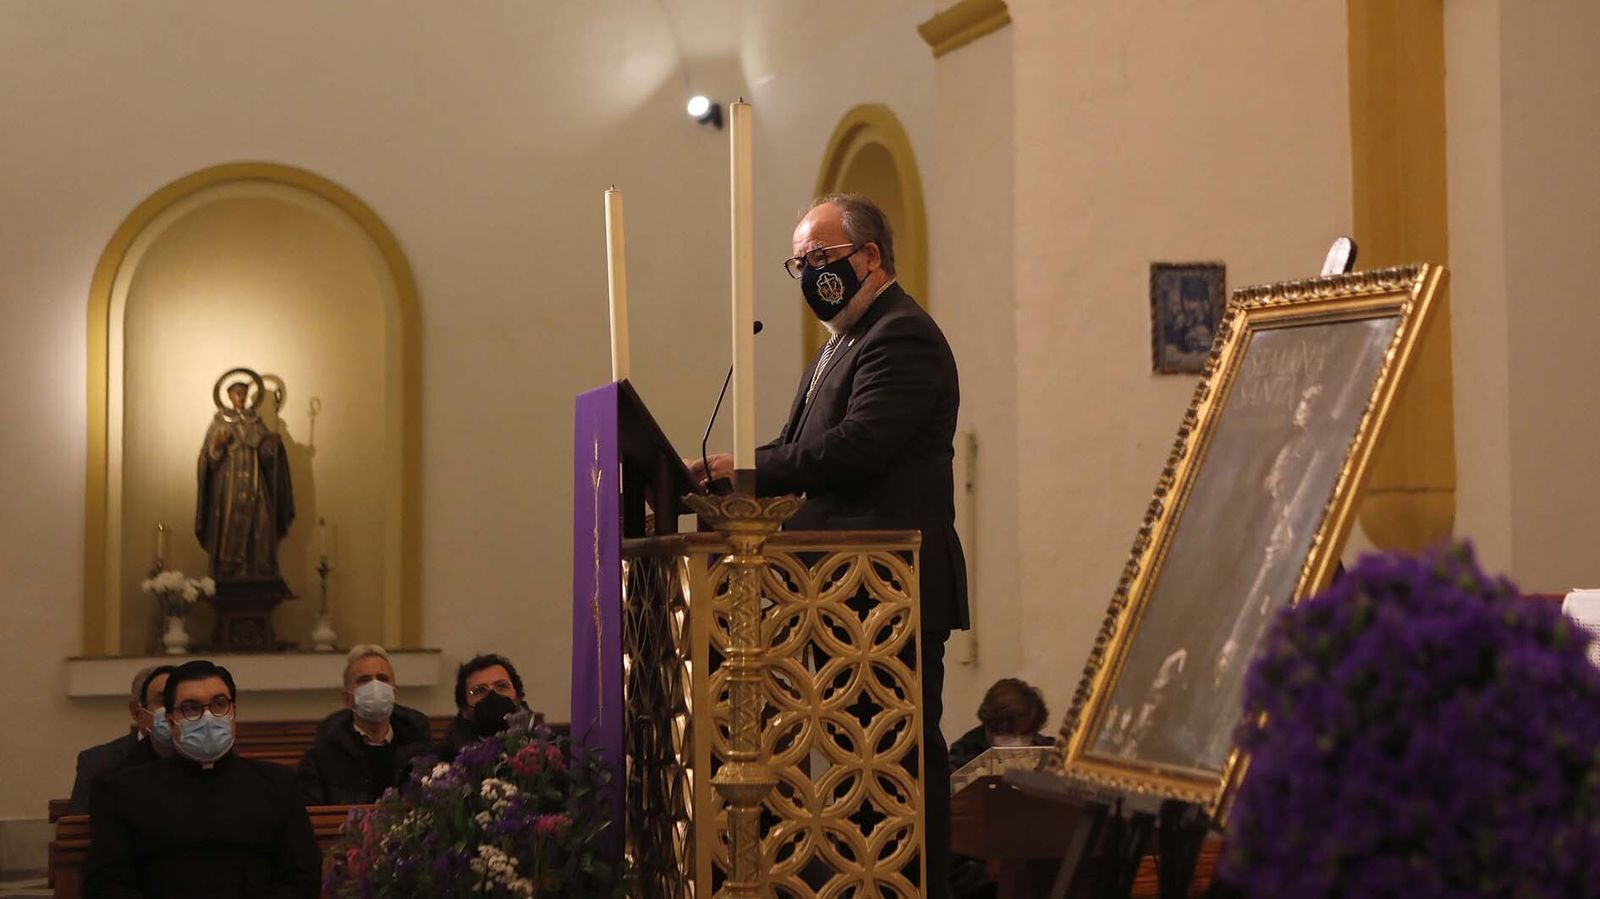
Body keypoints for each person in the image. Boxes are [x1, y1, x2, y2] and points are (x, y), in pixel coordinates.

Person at [692, 194, 967, 898]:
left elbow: (857, 448)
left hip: (888, 591)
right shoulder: (840, 345)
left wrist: (744, 469)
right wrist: (732, 476)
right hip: (842, 593)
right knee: (853, 774)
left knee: (894, 769)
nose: (812, 274)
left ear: (870, 256)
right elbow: (796, 449)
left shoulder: (900, 336)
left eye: (822, 259)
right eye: (801, 264)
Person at [85, 659, 320, 898]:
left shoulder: (278, 784)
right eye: (191, 708)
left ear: (233, 713)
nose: (208, 717)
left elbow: (302, 876)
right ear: (169, 721)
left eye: (219, 704)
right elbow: (107, 884)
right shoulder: (123, 791)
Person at [297, 644, 434, 804]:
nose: (375, 687)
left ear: (394, 693)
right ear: (347, 699)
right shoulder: (320, 760)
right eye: (364, 680)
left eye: (382, 679)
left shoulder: (420, 750)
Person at [195, 377, 294, 583]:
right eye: (235, 394)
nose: (239, 397)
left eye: (243, 393)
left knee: (262, 523)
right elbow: (209, 459)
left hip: (255, 483)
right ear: (229, 397)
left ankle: (259, 569)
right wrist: (219, 445)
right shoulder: (220, 422)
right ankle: (228, 570)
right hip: (228, 487)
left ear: (247, 396)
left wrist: (272, 445)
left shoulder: (255, 422)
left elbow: (267, 456)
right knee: (229, 525)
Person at [68, 665, 178, 814]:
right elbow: (80, 830)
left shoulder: (201, 756)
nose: (173, 710)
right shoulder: (99, 763)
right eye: (163, 700)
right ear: (137, 711)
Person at [948, 678, 1054, 772]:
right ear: (989, 728)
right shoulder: (962, 754)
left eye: (1025, 734)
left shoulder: (1048, 750)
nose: (1018, 744)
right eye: (1008, 734)